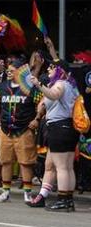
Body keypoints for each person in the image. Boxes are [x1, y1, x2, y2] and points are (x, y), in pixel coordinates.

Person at [24, 61, 81, 211]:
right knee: (68, 167)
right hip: (69, 128)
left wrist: (38, 85)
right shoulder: (72, 86)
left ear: (60, 70)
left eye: (51, 67)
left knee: (61, 167)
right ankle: (68, 200)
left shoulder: (60, 84)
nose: (49, 69)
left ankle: (62, 200)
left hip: (59, 128)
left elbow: (54, 95)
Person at [0, 59, 42, 203]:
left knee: (25, 162)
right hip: (5, 130)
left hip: (24, 130)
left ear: (20, 71)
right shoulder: (2, 86)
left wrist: (37, 119)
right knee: (5, 161)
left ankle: (27, 193)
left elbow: (41, 104)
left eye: (12, 70)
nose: (9, 72)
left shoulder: (30, 87)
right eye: (8, 70)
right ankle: (5, 192)